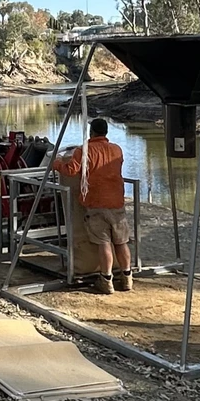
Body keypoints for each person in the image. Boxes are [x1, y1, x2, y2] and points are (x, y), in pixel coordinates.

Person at [53, 117, 131, 294]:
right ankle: (127, 277)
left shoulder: (84, 151)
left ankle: (106, 280)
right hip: (117, 202)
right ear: (106, 132)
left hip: (96, 203)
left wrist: (56, 163)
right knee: (121, 241)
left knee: (103, 242)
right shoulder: (117, 149)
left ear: (91, 132)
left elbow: (71, 170)